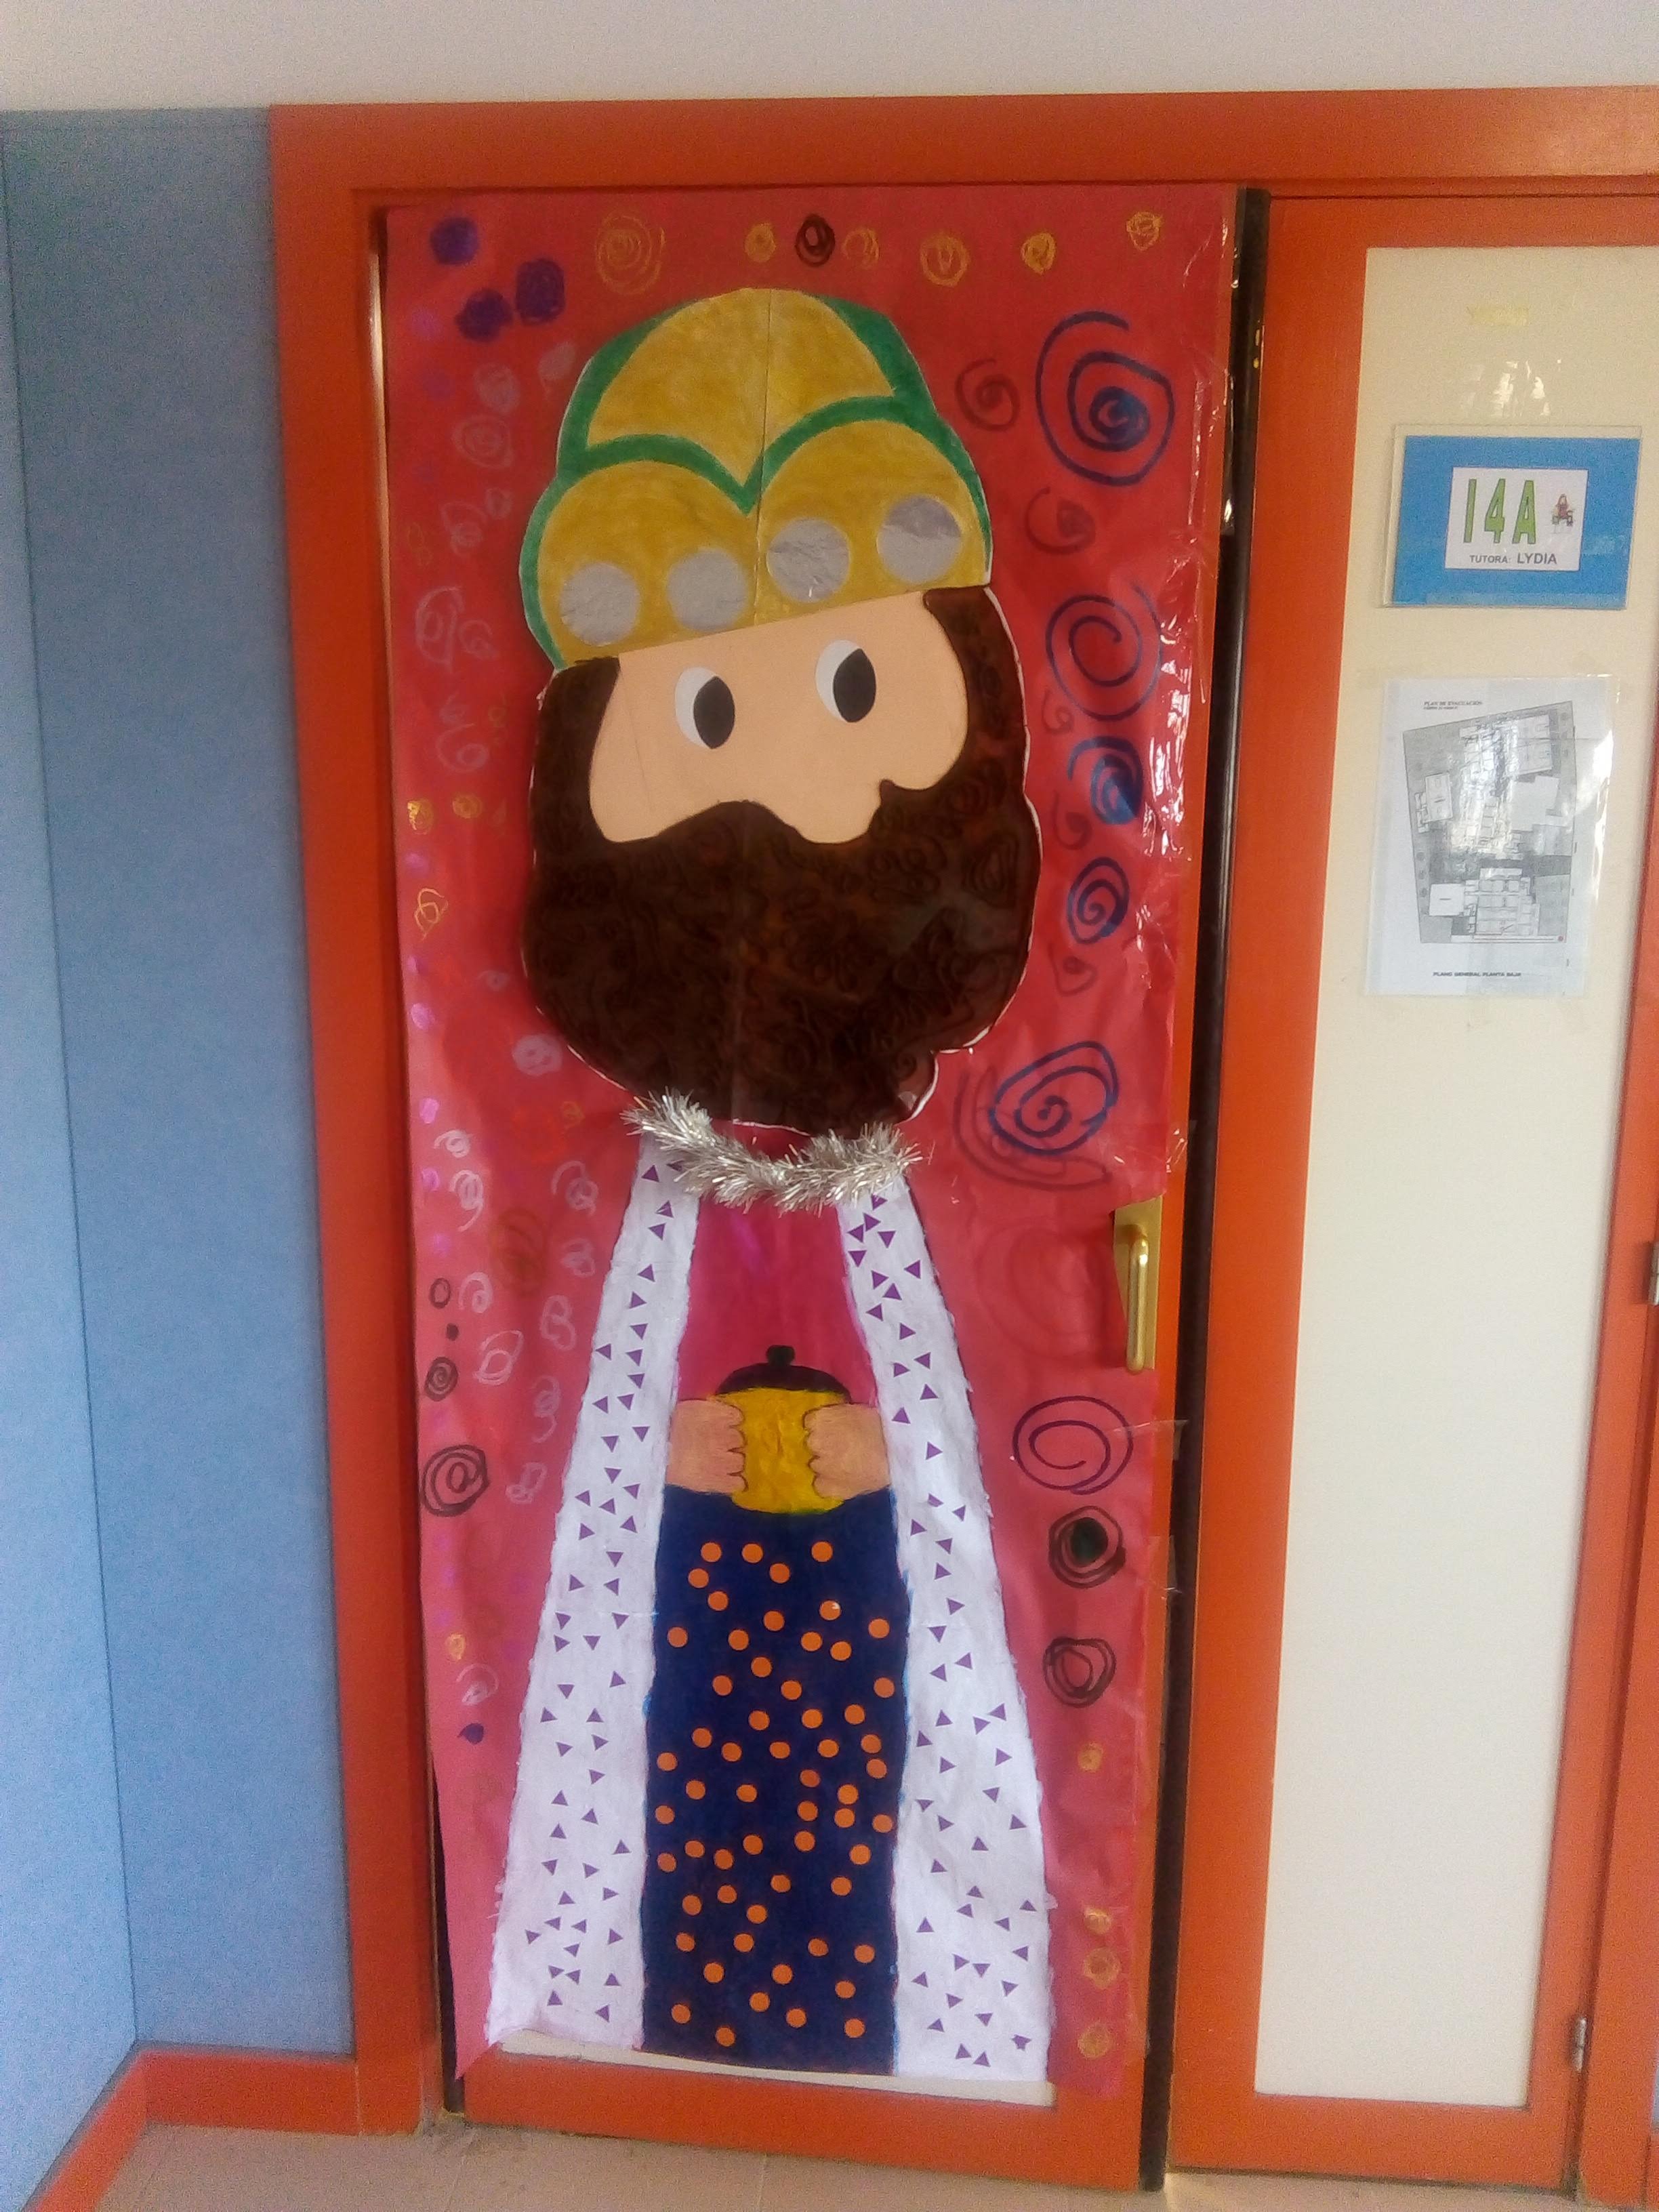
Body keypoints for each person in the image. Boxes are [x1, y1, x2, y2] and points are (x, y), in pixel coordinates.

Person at [489, 288, 1053, 2085]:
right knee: (679, 1783)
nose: (798, 798)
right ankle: (626, 2012)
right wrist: (670, 1447)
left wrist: (886, 1455)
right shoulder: (653, 1182)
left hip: (868, 1569)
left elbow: (938, 1404)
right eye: (710, 710)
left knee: (873, 1769)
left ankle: (937, 2018)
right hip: (682, 1577)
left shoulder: (885, 1180)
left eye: (854, 688)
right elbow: (595, 1428)